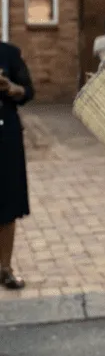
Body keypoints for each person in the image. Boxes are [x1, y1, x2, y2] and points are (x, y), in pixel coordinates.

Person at [0, 42, 36, 290]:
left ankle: (5, 269)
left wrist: (12, 89)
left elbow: (29, 91)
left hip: (5, 138)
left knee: (7, 203)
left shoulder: (9, 54)